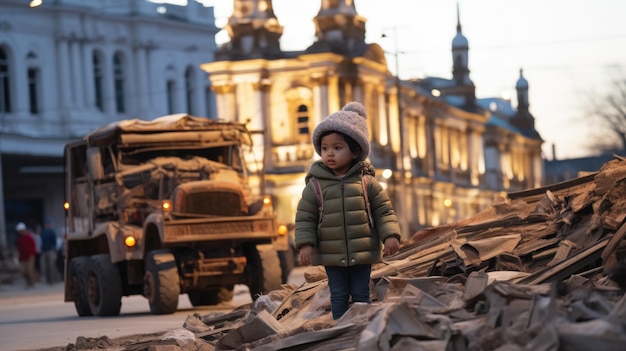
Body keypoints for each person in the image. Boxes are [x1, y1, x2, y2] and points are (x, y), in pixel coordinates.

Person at [294, 101, 401, 320]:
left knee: (362, 293)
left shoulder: (367, 182)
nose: (329, 153)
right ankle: (341, 329)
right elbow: (305, 217)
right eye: (325, 148)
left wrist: (390, 235)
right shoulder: (315, 185)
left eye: (337, 147)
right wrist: (306, 244)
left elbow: (383, 211)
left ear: (355, 151)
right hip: (332, 254)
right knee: (339, 294)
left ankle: (361, 328)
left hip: (362, 251)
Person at [16, 222, 37, 288]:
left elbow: (33, 246)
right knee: (23, 272)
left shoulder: (29, 237)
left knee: (29, 271)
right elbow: (19, 249)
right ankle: (28, 281)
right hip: (23, 258)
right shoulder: (20, 239)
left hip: (30, 257)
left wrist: (32, 255)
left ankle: (31, 283)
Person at [39, 217, 59, 284]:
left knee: (52, 265)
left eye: (48, 223)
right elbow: (41, 241)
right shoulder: (43, 232)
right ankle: (47, 279)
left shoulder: (51, 232)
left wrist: (54, 248)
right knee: (44, 266)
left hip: (50, 250)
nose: (48, 224)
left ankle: (52, 280)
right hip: (44, 250)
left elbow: (54, 241)